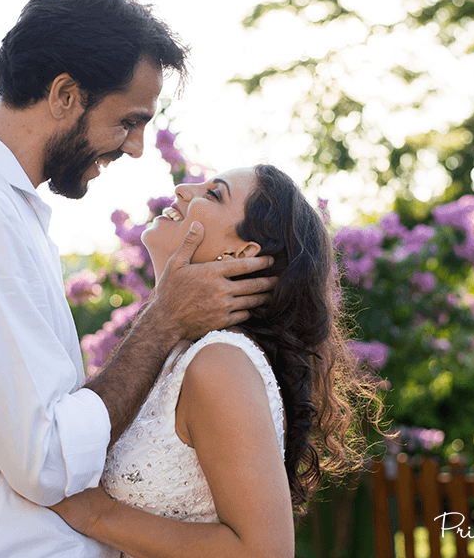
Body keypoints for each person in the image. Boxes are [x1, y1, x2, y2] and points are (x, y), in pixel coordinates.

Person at [0, 0, 276, 558]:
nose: (136, 147)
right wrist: (164, 322)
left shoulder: (0, 207)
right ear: (64, 94)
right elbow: (49, 462)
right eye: (128, 121)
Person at [49, 165, 383, 558]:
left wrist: (96, 514)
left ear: (241, 254)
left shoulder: (220, 362)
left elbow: (266, 552)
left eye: (213, 194)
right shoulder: (177, 353)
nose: (182, 189)